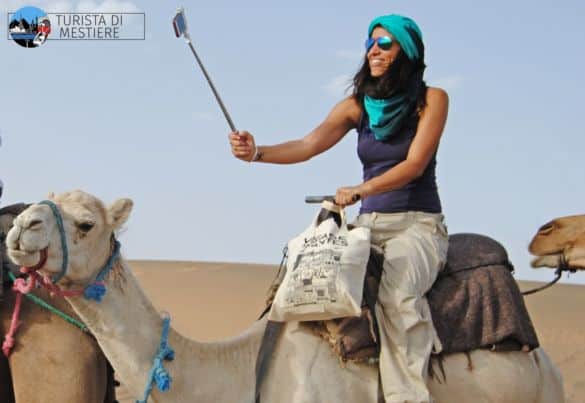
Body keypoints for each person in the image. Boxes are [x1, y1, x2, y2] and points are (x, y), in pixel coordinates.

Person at [229, 14, 448, 403]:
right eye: (371, 43)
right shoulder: (357, 106)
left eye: (386, 44)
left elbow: (414, 164)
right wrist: (257, 153)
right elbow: (310, 144)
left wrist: (363, 189)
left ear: (407, 52)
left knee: (398, 298)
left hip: (416, 227)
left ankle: (407, 396)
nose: (374, 51)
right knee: (306, 283)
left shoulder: (432, 101)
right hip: (366, 225)